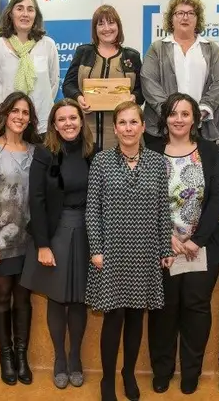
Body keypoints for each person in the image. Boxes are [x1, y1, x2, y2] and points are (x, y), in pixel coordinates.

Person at [84, 101, 173, 401]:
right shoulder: (101, 162)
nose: (128, 128)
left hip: (145, 252)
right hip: (111, 252)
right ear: (115, 128)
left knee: (136, 318)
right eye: (122, 122)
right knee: (113, 319)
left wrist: (165, 248)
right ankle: (107, 379)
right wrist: (96, 249)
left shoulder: (157, 163)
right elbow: (92, 210)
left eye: (133, 122)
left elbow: (163, 210)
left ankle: (129, 373)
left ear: (143, 126)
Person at [145, 93, 219, 395]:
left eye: (185, 113)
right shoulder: (151, 150)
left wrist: (196, 240)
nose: (178, 119)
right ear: (164, 118)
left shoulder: (210, 151)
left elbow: (218, 197)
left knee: (195, 307)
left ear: (195, 119)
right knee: (163, 309)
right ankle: (162, 371)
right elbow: (145, 198)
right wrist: (166, 238)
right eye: (173, 113)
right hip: (161, 247)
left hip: (201, 248)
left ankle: (191, 372)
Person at [21, 98, 96, 389]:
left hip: (86, 231)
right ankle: (59, 360)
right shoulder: (44, 153)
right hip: (55, 232)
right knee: (56, 298)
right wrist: (43, 244)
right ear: (54, 124)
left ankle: (75, 358)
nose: (68, 123)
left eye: (73, 118)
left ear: (81, 120)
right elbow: (36, 200)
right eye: (61, 119)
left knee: (78, 299)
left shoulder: (93, 152)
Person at [0, 91, 40, 385]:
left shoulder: (36, 152)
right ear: (5, 113)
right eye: (15, 110)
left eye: (25, 112)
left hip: (29, 240)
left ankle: (21, 355)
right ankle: (6, 355)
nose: (20, 116)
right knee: (2, 296)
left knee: (23, 298)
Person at [141, 0, 219, 147]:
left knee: (201, 163)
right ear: (171, 19)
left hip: (201, 126)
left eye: (190, 13)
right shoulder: (157, 48)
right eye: (180, 13)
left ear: (197, 19)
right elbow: (149, 81)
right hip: (160, 129)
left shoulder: (211, 49)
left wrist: (201, 111)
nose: (185, 17)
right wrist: (171, 113)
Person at [63, 4, 143, 151]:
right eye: (101, 24)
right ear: (95, 29)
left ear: (118, 26)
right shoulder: (83, 52)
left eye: (111, 23)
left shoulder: (131, 56)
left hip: (121, 135)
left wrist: (134, 97)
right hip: (87, 132)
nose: (106, 28)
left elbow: (141, 90)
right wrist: (78, 97)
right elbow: (68, 84)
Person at [0, 0, 59, 136]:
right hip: (8, 125)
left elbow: (53, 84)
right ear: (10, 14)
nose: (25, 14)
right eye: (19, 8)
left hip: (41, 125)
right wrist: (2, 117)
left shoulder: (48, 45)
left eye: (30, 9)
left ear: (36, 15)